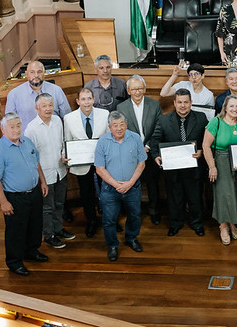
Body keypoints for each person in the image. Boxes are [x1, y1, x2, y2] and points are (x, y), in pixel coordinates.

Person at [0, 112, 50, 276]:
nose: (16, 130)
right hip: (15, 198)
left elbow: (36, 163)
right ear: (3, 129)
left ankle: (31, 251)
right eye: (12, 127)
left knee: (35, 226)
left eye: (18, 126)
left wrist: (42, 181)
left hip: (34, 192)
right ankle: (14, 262)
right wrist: (3, 202)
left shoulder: (27, 142)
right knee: (16, 231)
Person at [150, 89, 209, 237]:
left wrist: (202, 150)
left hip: (194, 167)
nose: (183, 105)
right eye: (180, 102)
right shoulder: (164, 120)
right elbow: (155, 140)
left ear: (191, 103)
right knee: (174, 198)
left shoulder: (201, 118)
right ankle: (175, 224)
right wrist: (156, 155)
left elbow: (207, 140)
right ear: (174, 103)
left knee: (195, 198)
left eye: (186, 102)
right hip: (173, 169)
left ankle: (197, 223)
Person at [94, 111, 147, 262]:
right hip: (110, 189)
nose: (119, 128)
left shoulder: (135, 138)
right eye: (115, 125)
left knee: (134, 215)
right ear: (109, 127)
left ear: (126, 125)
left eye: (122, 124)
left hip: (133, 187)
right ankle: (112, 246)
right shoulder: (103, 142)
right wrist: (116, 184)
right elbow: (99, 168)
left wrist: (130, 183)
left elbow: (141, 163)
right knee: (109, 219)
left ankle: (131, 238)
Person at [24, 93, 73, 249]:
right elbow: (31, 158)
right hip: (45, 175)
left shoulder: (58, 120)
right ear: (37, 108)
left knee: (60, 203)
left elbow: (62, 143)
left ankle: (58, 229)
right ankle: (49, 235)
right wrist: (41, 180)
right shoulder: (31, 129)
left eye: (50, 105)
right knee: (47, 207)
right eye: (44, 106)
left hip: (60, 170)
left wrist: (64, 155)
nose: (48, 109)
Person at [116, 75, 163, 225]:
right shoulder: (121, 107)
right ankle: (132, 213)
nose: (137, 92)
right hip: (131, 153)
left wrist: (148, 146)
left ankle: (154, 211)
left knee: (152, 183)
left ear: (144, 89)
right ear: (128, 91)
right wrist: (135, 147)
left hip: (150, 150)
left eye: (140, 88)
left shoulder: (154, 105)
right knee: (132, 183)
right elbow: (121, 130)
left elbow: (158, 128)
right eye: (134, 89)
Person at [63, 88, 109, 238]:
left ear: (93, 99)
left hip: (102, 163)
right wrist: (66, 156)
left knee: (107, 192)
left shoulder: (104, 114)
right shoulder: (69, 118)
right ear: (78, 101)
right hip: (81, 164)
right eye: (83, 99)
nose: (87, 102)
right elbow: (67, 141)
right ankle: (92, 221)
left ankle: (109, 220)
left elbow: (109, 140)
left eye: (89, 98)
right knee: (86, 194)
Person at [203, 95, 237, 245]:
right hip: (220, 161)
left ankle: (232, 222)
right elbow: (206, 146)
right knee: (223, 195)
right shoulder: (216, 122)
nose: (234, 109)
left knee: (236, 193)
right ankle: (223, 226)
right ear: (225, 108)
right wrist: (212, 166)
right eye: (231, 106)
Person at [5, 60, 71, 130]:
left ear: (44, 73)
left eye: (39, 72)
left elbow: (67, 118)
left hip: (54, 136)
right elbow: (9, 123)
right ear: (26, 74)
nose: (36, 75)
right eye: (32, 72)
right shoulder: (14, 94)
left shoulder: (56, 90)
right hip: (27, 139)